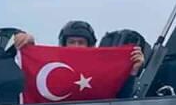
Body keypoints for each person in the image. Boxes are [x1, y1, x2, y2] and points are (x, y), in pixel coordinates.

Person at [13, 21, 146, 77]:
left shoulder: (101, 73)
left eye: (81, 42)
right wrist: (28, 45)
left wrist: (132, 71)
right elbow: (35, 79)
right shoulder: (53, 69)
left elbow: (120, 101)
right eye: (71, 42)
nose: (76, 46)